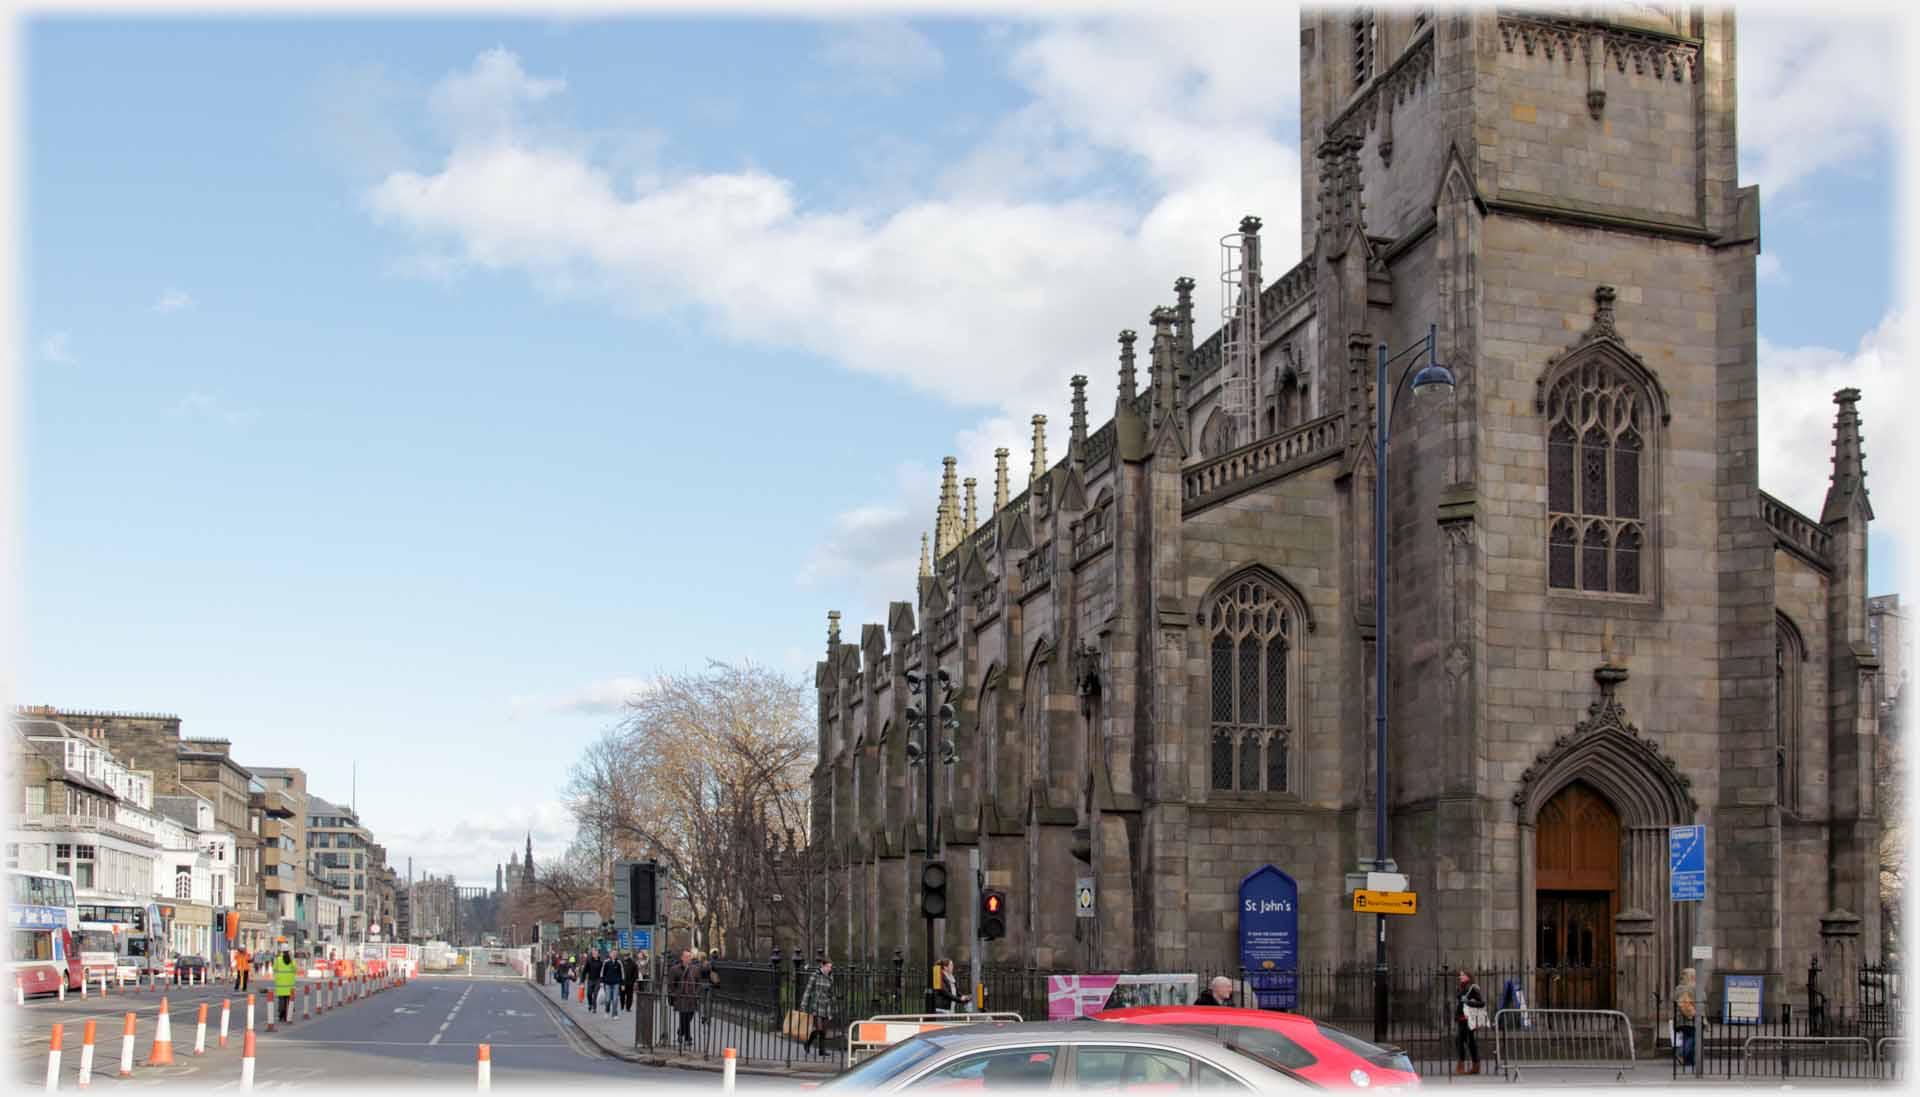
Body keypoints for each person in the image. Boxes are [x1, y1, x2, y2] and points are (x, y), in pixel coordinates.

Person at [800, 958, 835, 1059]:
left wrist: (834, 1002)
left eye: (830, 967)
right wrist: (803, 1004)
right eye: (828, 966)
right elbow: (808, 990)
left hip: (826, 1005)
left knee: (824, 1030)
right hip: (816, 1005)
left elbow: (831, 992)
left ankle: (821, 1050)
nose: (829, 968)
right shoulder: (815, 975)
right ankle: (807, 1043)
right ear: (822, 966)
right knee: (819, 1028)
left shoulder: (830, 977)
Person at [1455, 969, 1486, 1075]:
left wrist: (1468, 1002)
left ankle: (1467, 1066)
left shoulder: (1473, 988)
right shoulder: (1460, 988)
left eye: (1462, 975)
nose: (1460, 976)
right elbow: (1460, 1004)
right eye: (1460, 975)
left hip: (1469, 1020)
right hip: (1461, 1019)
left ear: (1468, 977)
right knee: (1462, 1042)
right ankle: (1472, 1066)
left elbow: (1481, 1003)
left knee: (1467, 1042)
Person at [670, 949, 702, 1050]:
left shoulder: (695, 969)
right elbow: (671, 984)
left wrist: (696, 993)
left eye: (690, 956)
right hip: (681, 998)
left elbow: (699, 983)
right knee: (684, 1015)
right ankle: (688, 1038)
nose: (688, 958)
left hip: (692, 998)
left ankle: (680, 1031)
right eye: (686, 956)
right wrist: (675, 994)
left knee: (689, 1016)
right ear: (682, 958)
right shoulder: (675, 969)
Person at [1673, 968, 1699, 1069]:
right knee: (1693, 1037)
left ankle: (1688, 1060)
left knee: (1687, 1037)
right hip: (1690, 1016)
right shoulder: (1693, 987)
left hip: (1681, 1017)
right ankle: (1681, 1053)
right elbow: (1701, 999)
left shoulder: (1678, 987)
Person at [273, 946, 298, 1023]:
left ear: (281, 951)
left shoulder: (278, 959)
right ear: (288, 951)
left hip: (281, 984)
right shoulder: (292, 960)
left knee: (281, 1000)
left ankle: (281, 1015)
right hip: (290, 983)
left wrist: (277, 977)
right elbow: (295, 969)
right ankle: (289, 1014)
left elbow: (274, 969)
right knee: (290, 999)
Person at [603, 951, 624, 1019]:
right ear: (610, 954)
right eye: (613, 953)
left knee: (615, 999)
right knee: (608, 999)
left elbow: (622, 974)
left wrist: (622, 984)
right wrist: (602, 981)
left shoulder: (619, 963)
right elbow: (603, 972)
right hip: (608, 983)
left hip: (616, 983)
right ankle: (607, 1011)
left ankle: (615, 1014)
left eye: (615, 954)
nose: (614, 955)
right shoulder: (606, 962)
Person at [584, 949, 602, 1013]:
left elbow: (603, 972)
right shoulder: (589, 961)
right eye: (594, 954)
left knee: (595, 994)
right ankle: (590, 1004)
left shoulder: (601, 962)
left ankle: (594, 1008)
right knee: (589, 994)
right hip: (590, 980)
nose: (595, 955)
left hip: (598, 980)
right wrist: (582, 981)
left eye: (596, 953)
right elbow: (585, 971)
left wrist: (602, 980)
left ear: (598, 954)